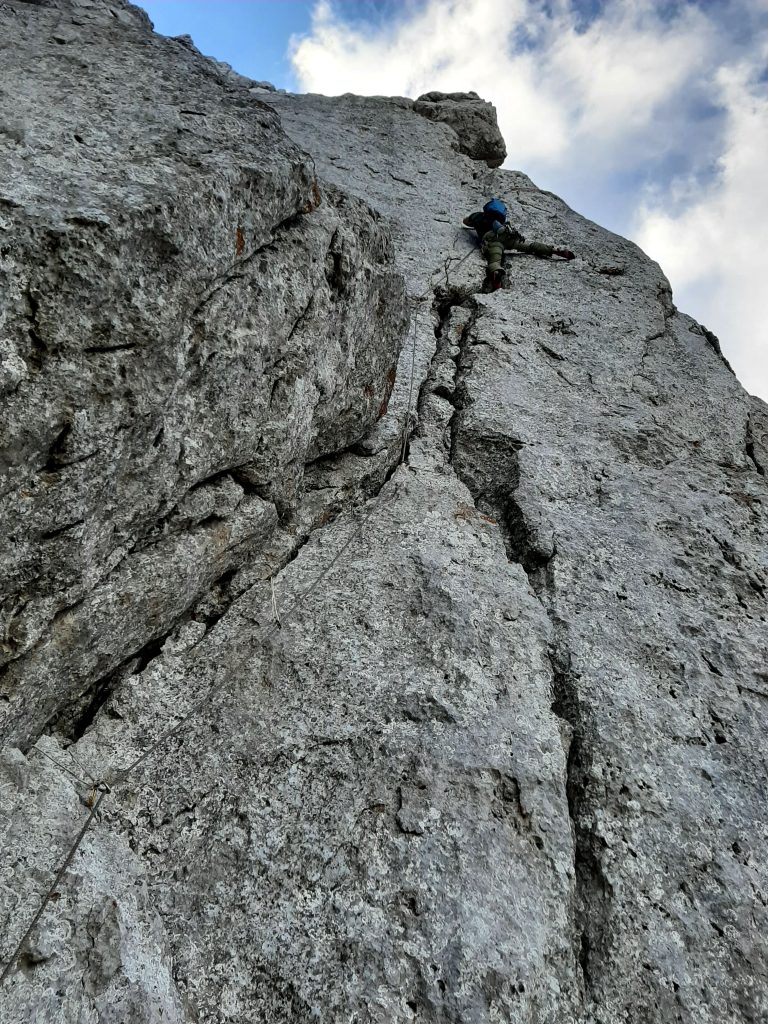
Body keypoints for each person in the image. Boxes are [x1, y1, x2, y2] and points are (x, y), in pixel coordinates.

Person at [463, 198, 575, 291]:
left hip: (492, 239)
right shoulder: (498, 218)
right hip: (507, 236)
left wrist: (476, 223)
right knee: (529, 246)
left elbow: (465, 221)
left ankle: (496, 274)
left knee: (495, 258)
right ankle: (554, 250)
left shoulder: (478, 216)